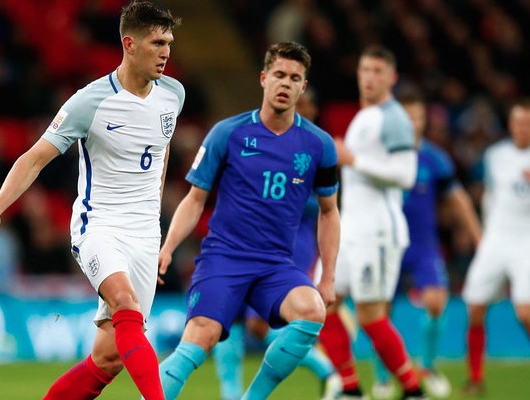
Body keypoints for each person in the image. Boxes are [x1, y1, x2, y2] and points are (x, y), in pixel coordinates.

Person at [0, 2, 182, 399]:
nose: (166, 51)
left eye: (169, 41)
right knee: (124, 301)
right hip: (98, 226)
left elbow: (161, 150)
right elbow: (34, 157)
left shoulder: (173, 94)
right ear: (129, 44)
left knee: (107, 360)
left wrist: (153, 218)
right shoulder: (90, 101)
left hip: (143, 234)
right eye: (157, 42)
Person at [152, 41, 341, 400]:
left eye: (295, 78)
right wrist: (169, 246)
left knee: (311, 310)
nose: (286, 83)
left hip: (275, 265)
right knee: (201, 335)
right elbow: (195, 199)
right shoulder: (228, 133)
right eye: (280, 75)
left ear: (303, 87)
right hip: (225, 257)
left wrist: (327, 276)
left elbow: (330, 212)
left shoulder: (319, 145)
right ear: (263, 78)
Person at [210, 87, 342, 400]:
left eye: (309, 103)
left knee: (259, 325)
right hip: (247, 240)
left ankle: (328, 372)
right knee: (227, 318)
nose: (304, 107)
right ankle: (231, 394)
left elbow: (325, 206)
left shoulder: (318, 147)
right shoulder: (264, 138)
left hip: (293, 242)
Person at [318, 45, 427, 400]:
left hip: (378, 232)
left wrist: (353, 159)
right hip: (352, 229)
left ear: (392, 77)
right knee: (322, 302)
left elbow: (407, 175)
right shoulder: (365, 116)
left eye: (378, 71)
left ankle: (413, 389)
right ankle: (350, 387)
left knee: (370, 317)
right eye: (365, 70)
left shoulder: (393, 116)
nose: (369, 77)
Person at [370, 92, 482, 399]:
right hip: (387, 243)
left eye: (417, 116)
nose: (411, 122)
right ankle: (383, 376)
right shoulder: (380, 155)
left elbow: (457, 199)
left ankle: (428, 367)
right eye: (405, 116)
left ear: (423, 121)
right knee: (382, 312)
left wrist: (477, 236)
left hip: (423, 245)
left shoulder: (434, 158)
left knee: (435, 301)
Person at [461, 97, 530, 396]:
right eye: (518, 122)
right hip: (496, 239)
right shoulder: (495, 155)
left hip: (527, 241)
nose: (522, 128)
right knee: (475, 307)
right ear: (510, 124)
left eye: (528, 123)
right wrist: (481, 235)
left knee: (526, 313)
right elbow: (488, 194)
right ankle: (476, 379)